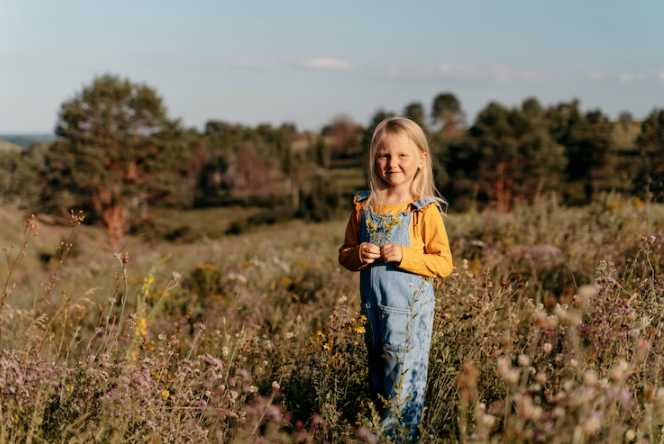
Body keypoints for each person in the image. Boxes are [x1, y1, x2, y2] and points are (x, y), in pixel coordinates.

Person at [338, 116, 453, 440]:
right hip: (372, 315)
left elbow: (443, 263)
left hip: (409, 317)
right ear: (374, 159)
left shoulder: (422, 210)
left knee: (403, 391)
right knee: (379, 387)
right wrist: (357, 253)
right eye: (384, 155)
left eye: (402, 156)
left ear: (421, 159)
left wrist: (405, 255)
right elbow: (344, 253)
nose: (392, 163)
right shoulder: (364, 206)